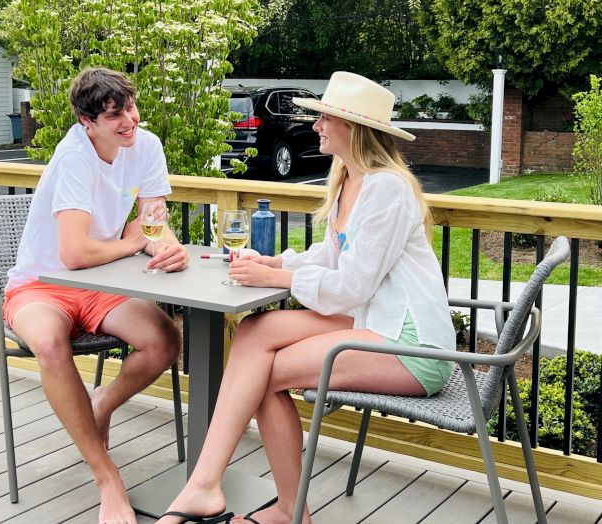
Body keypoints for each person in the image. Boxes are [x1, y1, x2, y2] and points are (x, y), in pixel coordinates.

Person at [158, 71, 456, 524]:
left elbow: (351, 287)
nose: (315, 126)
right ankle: (210, 485)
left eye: (323, 119)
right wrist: (275, 263)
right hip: (374, 319)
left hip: (413, 344)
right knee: (256, 332)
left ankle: (279, 508)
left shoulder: (387, 188)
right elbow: (331, 255)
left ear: (351, 128)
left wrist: (270, 281)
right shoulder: (347, 180)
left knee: (264, 374)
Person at [4, 67, 188, 524]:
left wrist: (163, 243)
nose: (130, 120)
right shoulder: (74, 157)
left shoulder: (146, 146)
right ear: (88, 122)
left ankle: (98, 404)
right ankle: (108, 478)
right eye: (114, 115)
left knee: (164, 340)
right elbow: (73, 253)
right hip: (41, 283)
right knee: (49, 342)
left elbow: (151, 220)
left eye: (131, 106)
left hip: (99, 283)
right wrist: (134, 242)